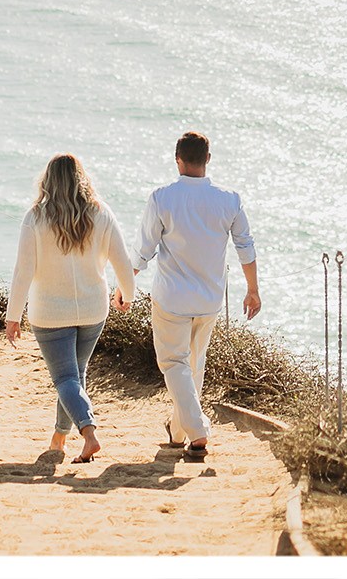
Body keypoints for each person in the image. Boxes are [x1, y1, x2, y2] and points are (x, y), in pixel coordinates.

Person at [135, 130, 260, 462]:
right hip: (209, 301)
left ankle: (198, 429)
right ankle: (179, 432)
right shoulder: (229, 199)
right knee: (193, 364)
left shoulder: (162, 198)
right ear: (208, 158)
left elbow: (144, 251)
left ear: (178, 160)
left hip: (172, 299)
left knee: (173, 363)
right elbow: (245, 246)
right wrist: (253, 290)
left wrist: (124, 283)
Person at [3, 153, 135, 464]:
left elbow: (23, 271)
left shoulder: (35, 217)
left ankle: (89, 434)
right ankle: (59, 438)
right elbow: (122, 262)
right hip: (92, 310)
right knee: (75, 376)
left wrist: (13, 316)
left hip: (50, 313)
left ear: (47, 180)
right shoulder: (101, 214)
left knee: (65, 378)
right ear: (82, 179)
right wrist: (127, 294)